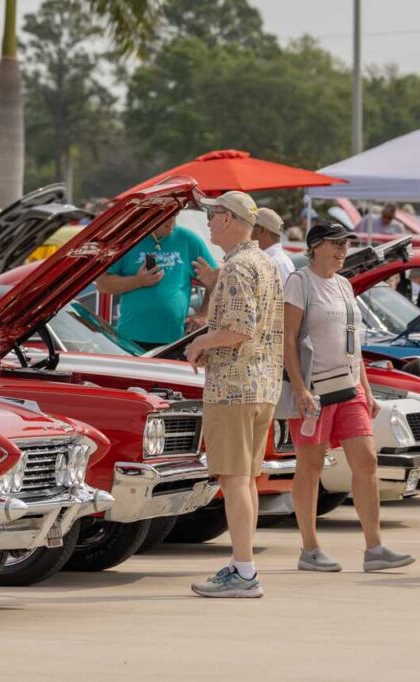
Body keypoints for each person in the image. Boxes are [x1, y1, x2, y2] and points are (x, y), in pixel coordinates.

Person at [284, 222, 415, 574]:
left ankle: (374, 547)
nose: (343, 250)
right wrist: (299, 388)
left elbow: (352, 343)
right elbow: (289, 340)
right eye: (335, 244)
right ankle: (309, 548)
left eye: (345, 244)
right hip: (316, 390)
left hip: (350, 387)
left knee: (367, 462)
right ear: (315, 247)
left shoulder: (343, 285)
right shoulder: (299, 282)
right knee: (310, 468)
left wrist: (367, 390)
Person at [185, 191, 283, 598]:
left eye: (212, 214)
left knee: (235, 479)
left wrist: (201, 343)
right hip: (262, 385)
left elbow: (241, 328)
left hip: (234, 389)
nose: (207, 222)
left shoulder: (239, 266)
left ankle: (244, 571)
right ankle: (243, 565)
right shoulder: (264, 262)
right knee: (247, 479)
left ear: (229, 219)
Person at [95, 215, 217, 350]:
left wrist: (204, 314)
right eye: (166, 217)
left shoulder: (189, 240)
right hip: (130, 339)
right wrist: (138, 281)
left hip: (175, 340)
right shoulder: (128, 241)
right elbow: (102, 284)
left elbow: (217, 280)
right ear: (149, 216)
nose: (172, 221)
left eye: (175, 215)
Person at [253, 207, 294, 283]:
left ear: (262, 231)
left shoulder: (277, 263)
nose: (248, 230)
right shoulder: (275, 261)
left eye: (251, 225)